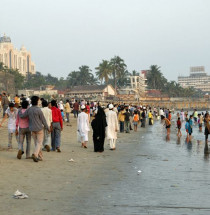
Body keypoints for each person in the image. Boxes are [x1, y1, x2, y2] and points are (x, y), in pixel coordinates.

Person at [19, 96, 50, 162]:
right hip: (39, 128)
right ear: (37, 101)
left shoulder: (29, 109)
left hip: (32, 129)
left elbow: (22, 116)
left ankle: (40, 156)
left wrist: (20, 110)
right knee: (39, 143)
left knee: (37, 144)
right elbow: (43, 120)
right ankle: (35, 154)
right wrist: (47, 127)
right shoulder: (38, 110)